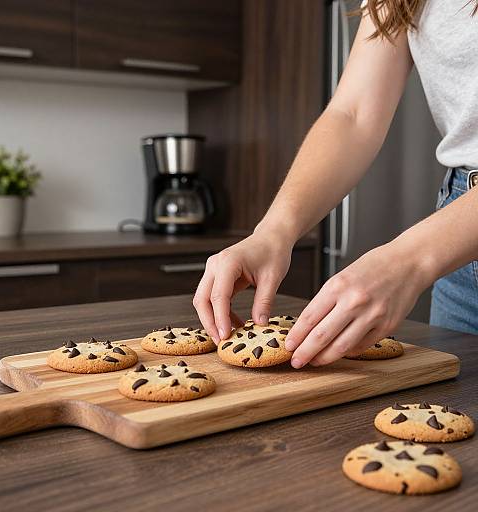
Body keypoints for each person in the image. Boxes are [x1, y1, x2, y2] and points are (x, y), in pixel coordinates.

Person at [193, 0, 478, 369]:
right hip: (460, 244)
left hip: (442, 243)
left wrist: (408, 259)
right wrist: (274, 231)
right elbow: (353, 114)